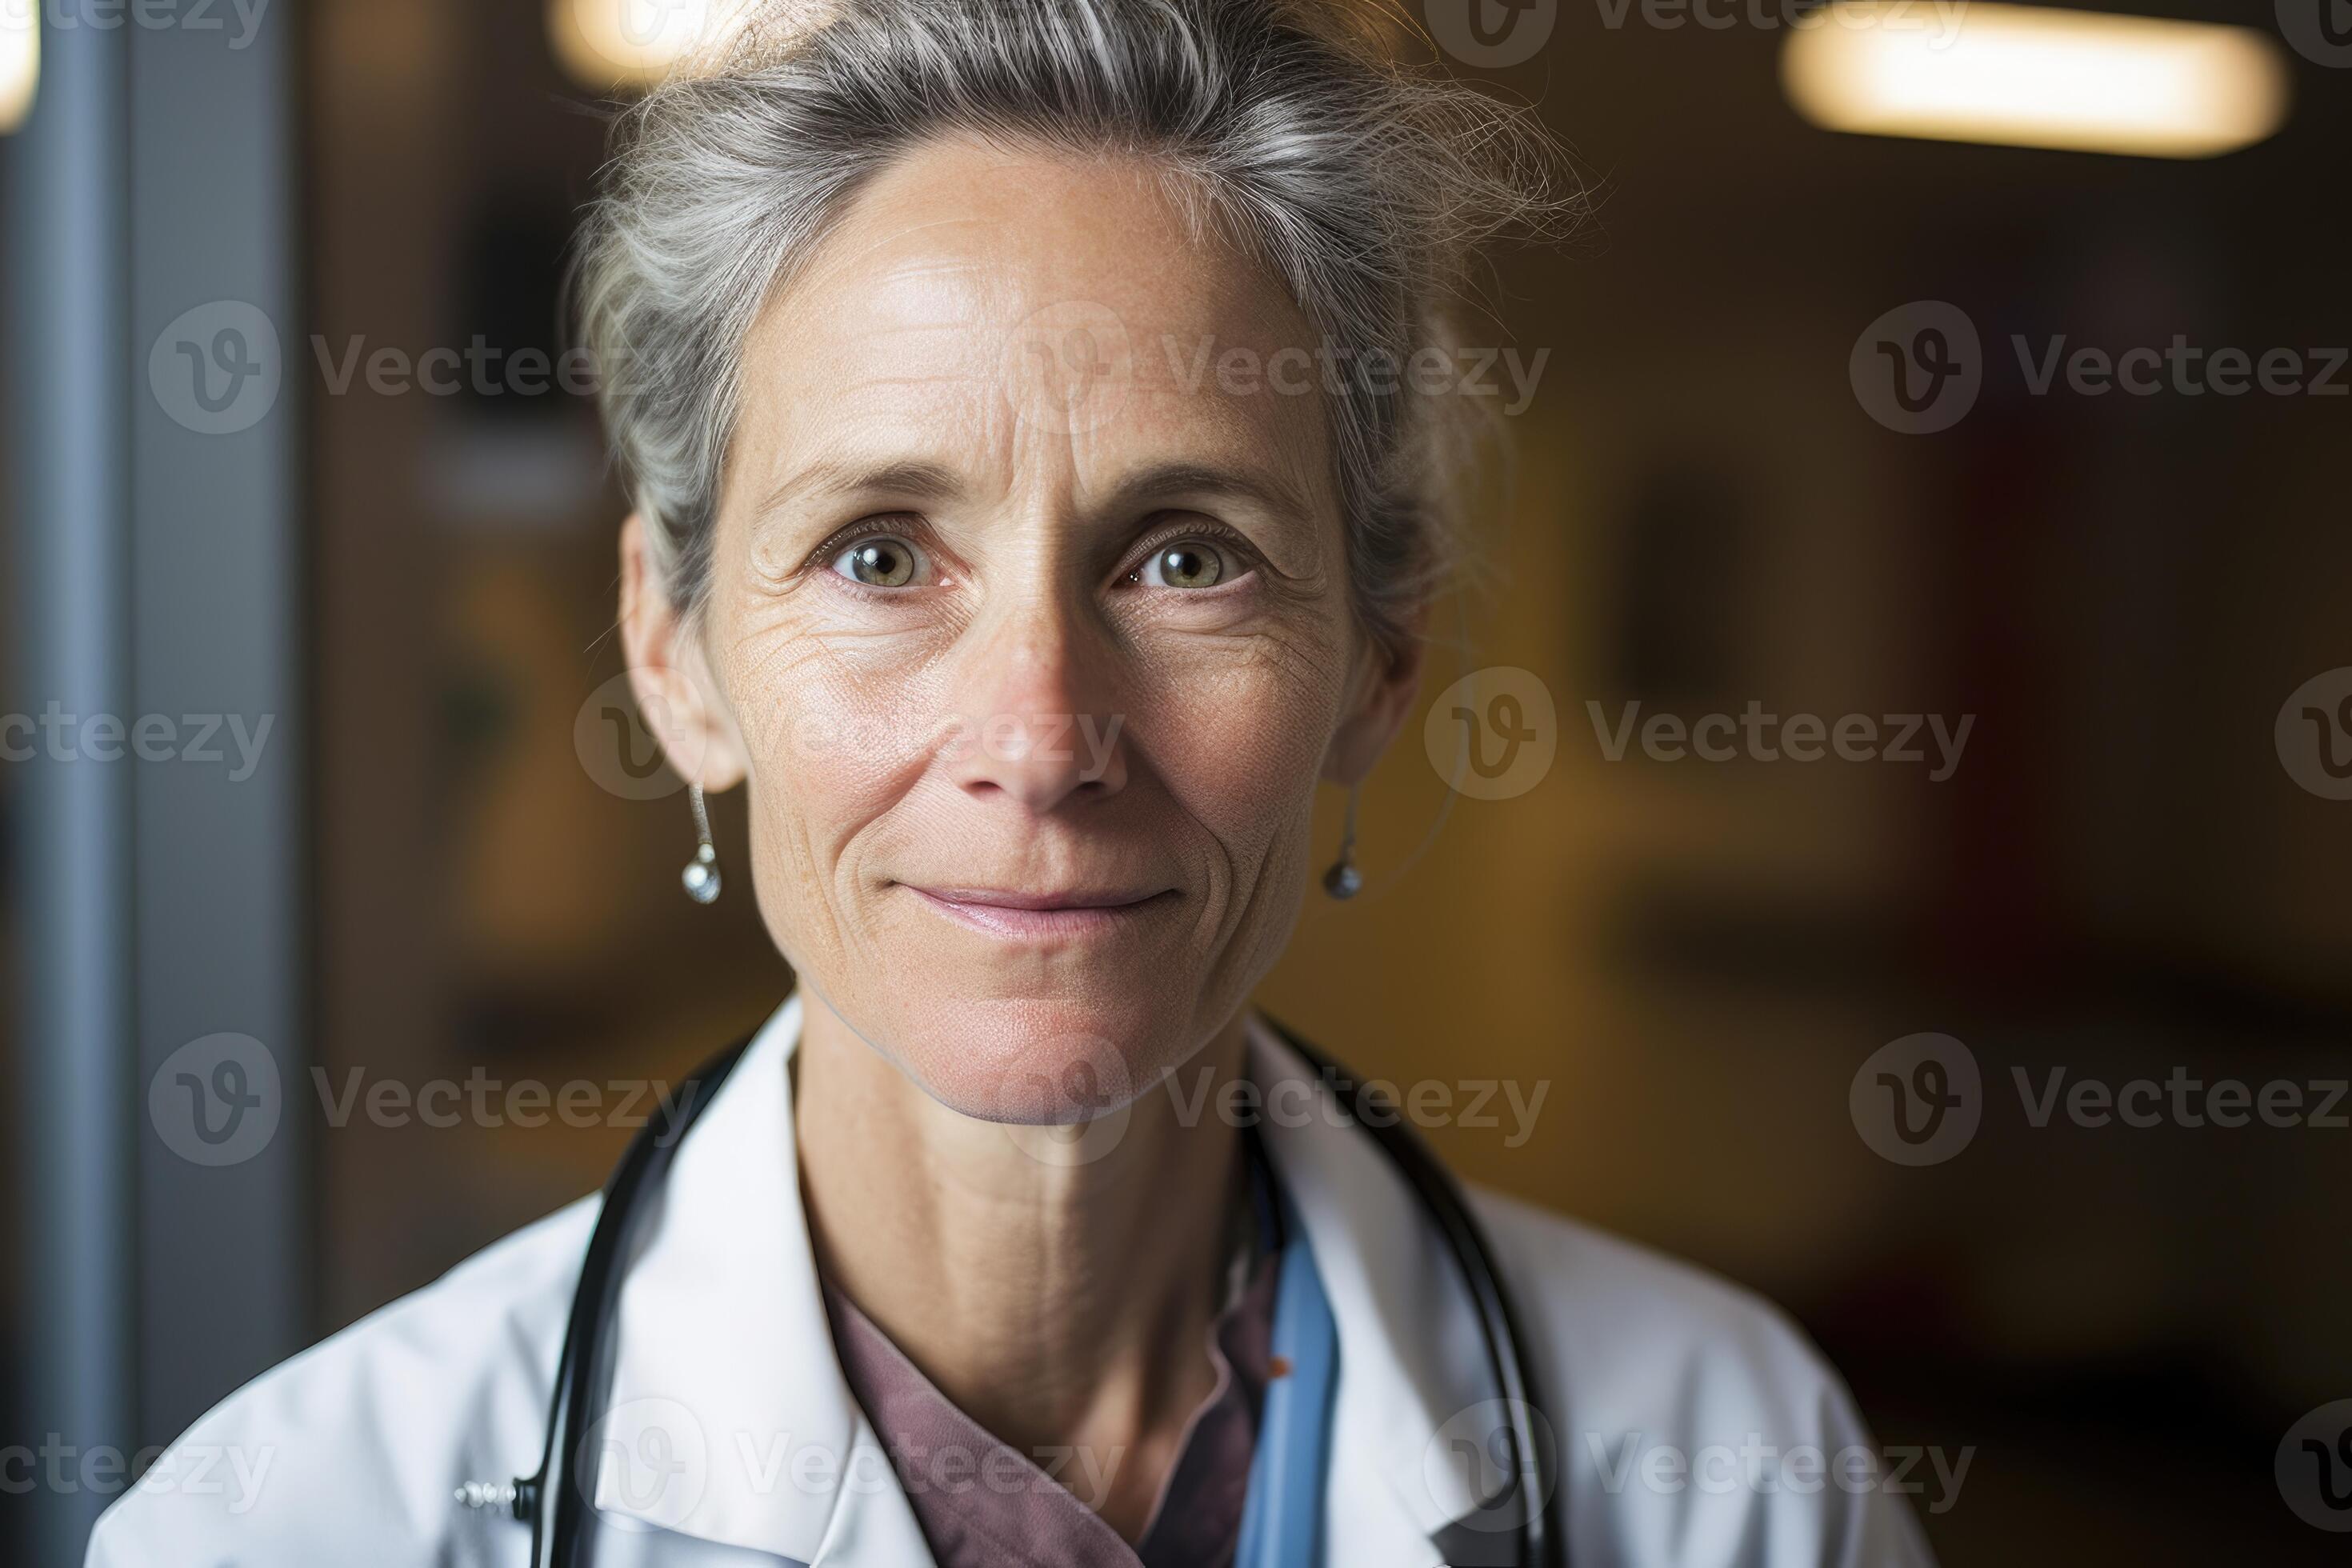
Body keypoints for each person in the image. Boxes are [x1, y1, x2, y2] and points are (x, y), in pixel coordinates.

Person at [88, 2, 1936, 1563]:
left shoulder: (1733, 1468)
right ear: (673, 652)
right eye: (882, 555)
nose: (1044, 736)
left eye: (1187, 554)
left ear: (1381, 660)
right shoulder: (289, 1518)